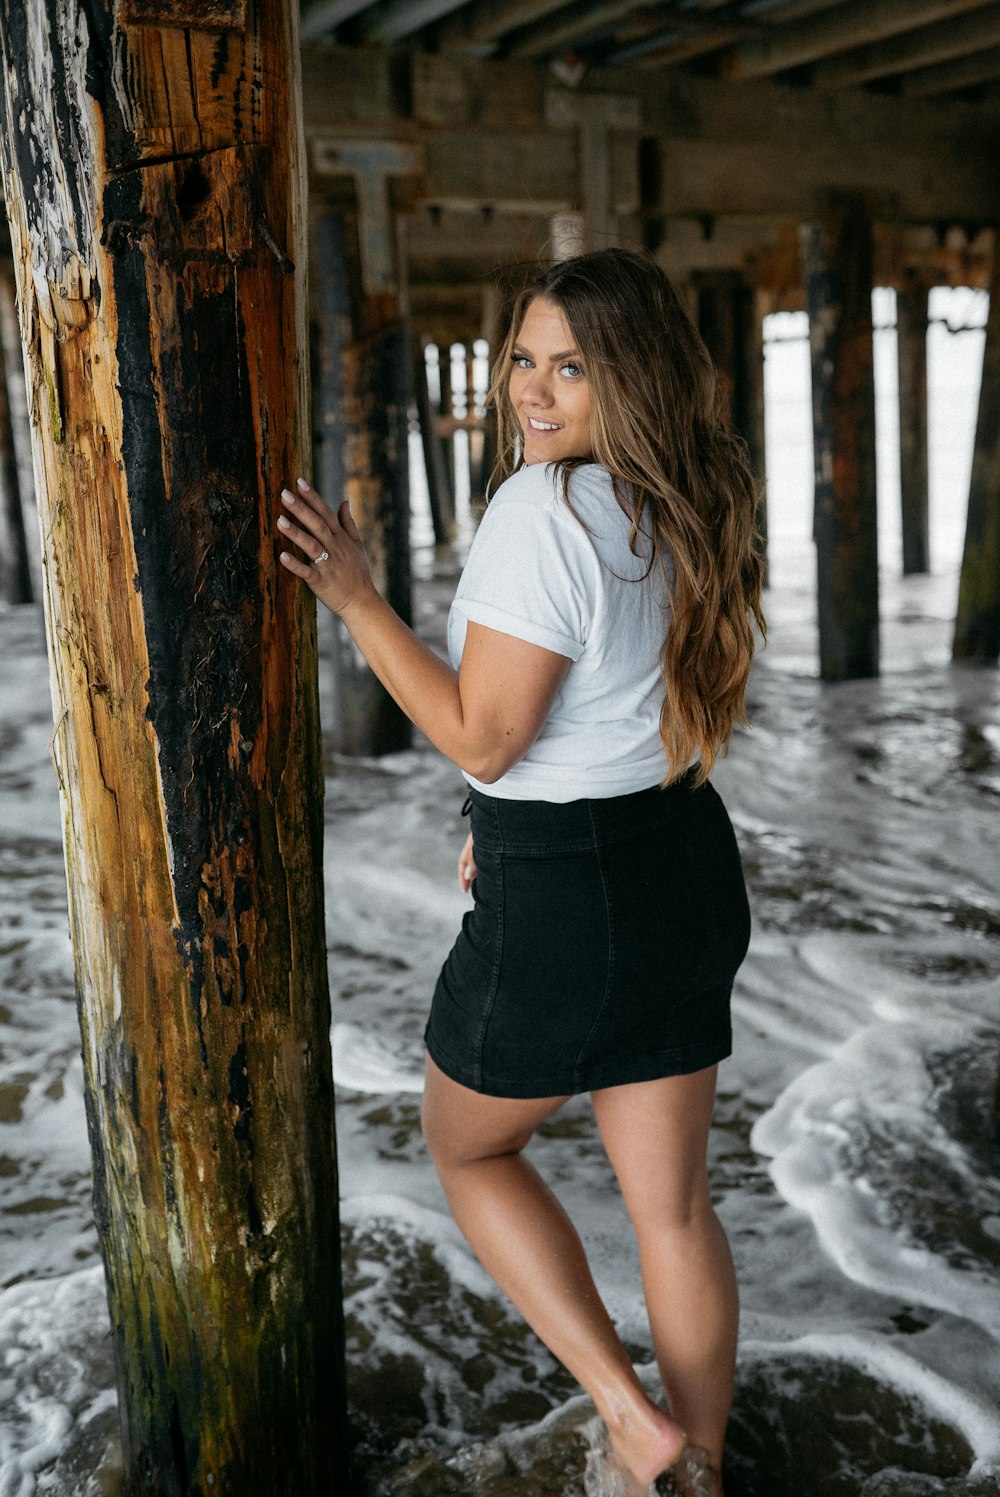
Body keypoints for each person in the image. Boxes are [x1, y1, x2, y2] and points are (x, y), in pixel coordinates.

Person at [276, 248, 765, 1496]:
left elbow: (488, 734)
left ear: (629, 382)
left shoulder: (538, 510)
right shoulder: (681, 499)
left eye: (571, 368)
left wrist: (354, 596)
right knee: (673, 1208)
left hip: (567, 894)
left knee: (470, 1149)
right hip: (675, 857)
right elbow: (600, 714)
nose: (532, 393)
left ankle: (634, 1422)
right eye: (522, 358)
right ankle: (697, 1463)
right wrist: (498, 824)